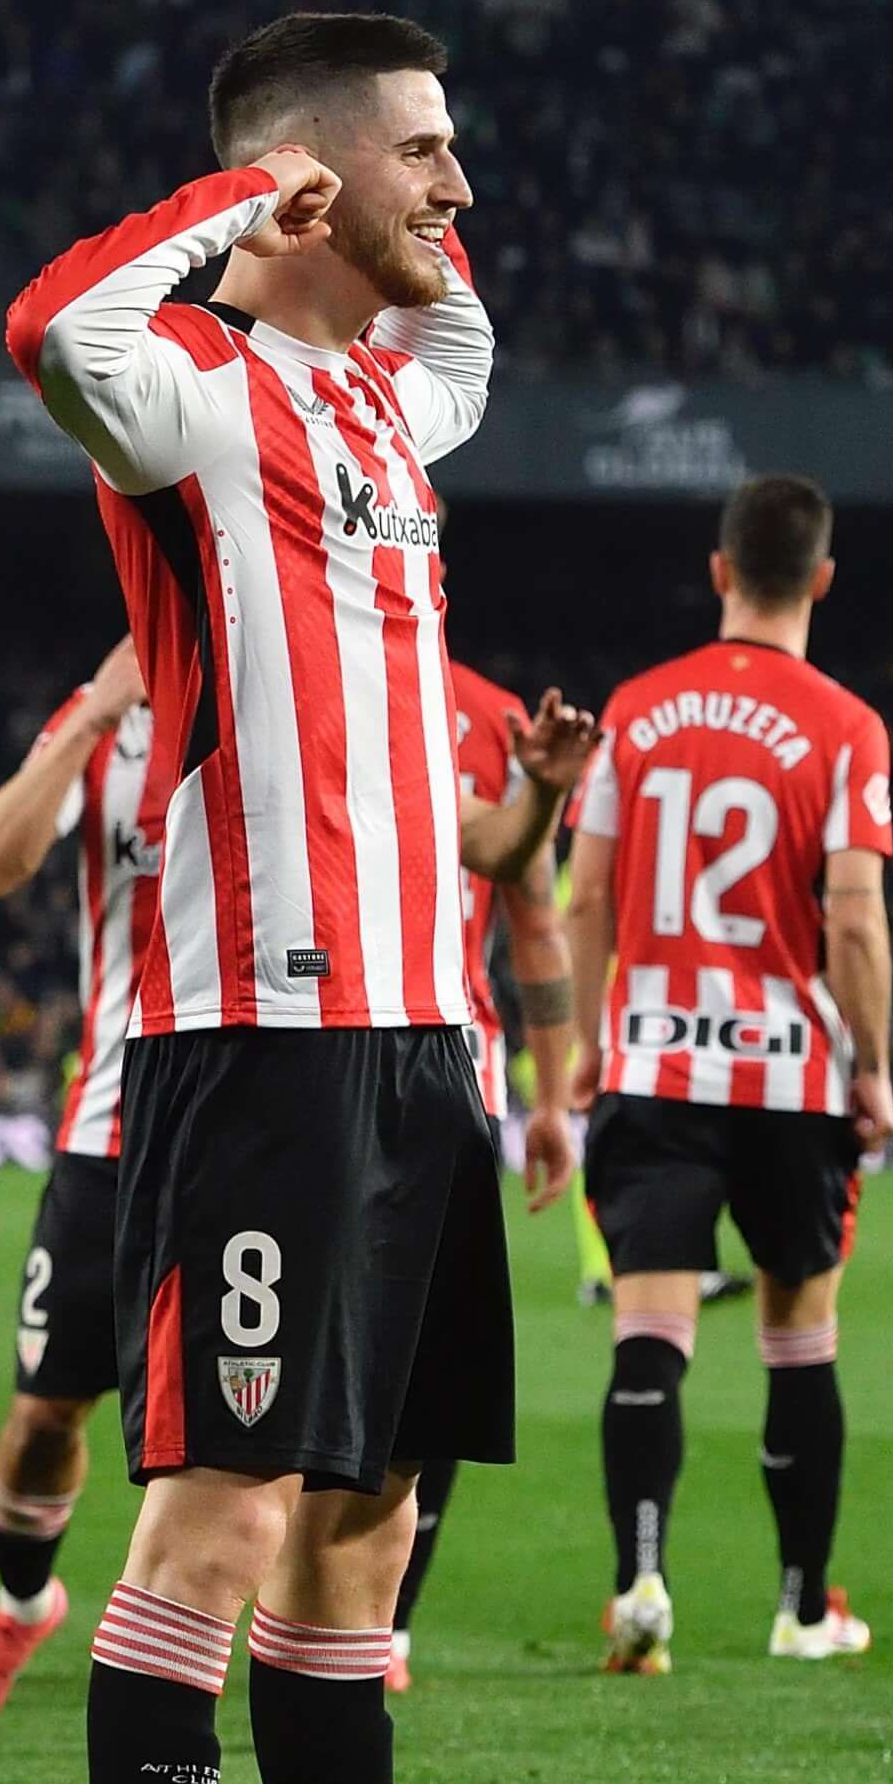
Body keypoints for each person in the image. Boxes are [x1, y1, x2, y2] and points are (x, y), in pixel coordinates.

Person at [7, 8, 606, 1784]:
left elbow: (469, 341)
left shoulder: (383, 400)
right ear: (315, 171)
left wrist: (382, 237)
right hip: (245, 1036)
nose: (461, 190)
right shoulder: (180, 397)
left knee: (367, 1527)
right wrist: (236, 209)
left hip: (411, 1040)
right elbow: (41, 321)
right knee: (220, 1513)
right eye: (427, 151)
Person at [560, 474, 893, 1676]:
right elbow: (853, 920)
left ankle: (637, 1580)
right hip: (789, 1075)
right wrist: (873, 1071)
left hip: (652, 1065)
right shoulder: (847, 725)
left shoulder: (633, 713)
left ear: (718, 574)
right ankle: (804, 1608)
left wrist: (586, 1043)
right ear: (819, 580)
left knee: (648, 1328)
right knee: (799, 1334)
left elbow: (586, 892)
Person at [0, 638, 155, 1726]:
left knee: (249, 1434)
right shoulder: (106, 720)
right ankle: (24, 1605)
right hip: (112, 1130)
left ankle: (285, 1657)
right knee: (43, 1419)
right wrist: (95, 713)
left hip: (261, 1136)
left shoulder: (305, 696)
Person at [381, 658, 582, 1690]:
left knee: (409, 1353)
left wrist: (551, 1098)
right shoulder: (490, 713)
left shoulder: (491, 715)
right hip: (402, 1060)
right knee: (396, 1352)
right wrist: (548, 1099)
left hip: (415, 1059)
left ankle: (381, 1623)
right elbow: (538, 924)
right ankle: (362, 1617)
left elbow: (533, 917)